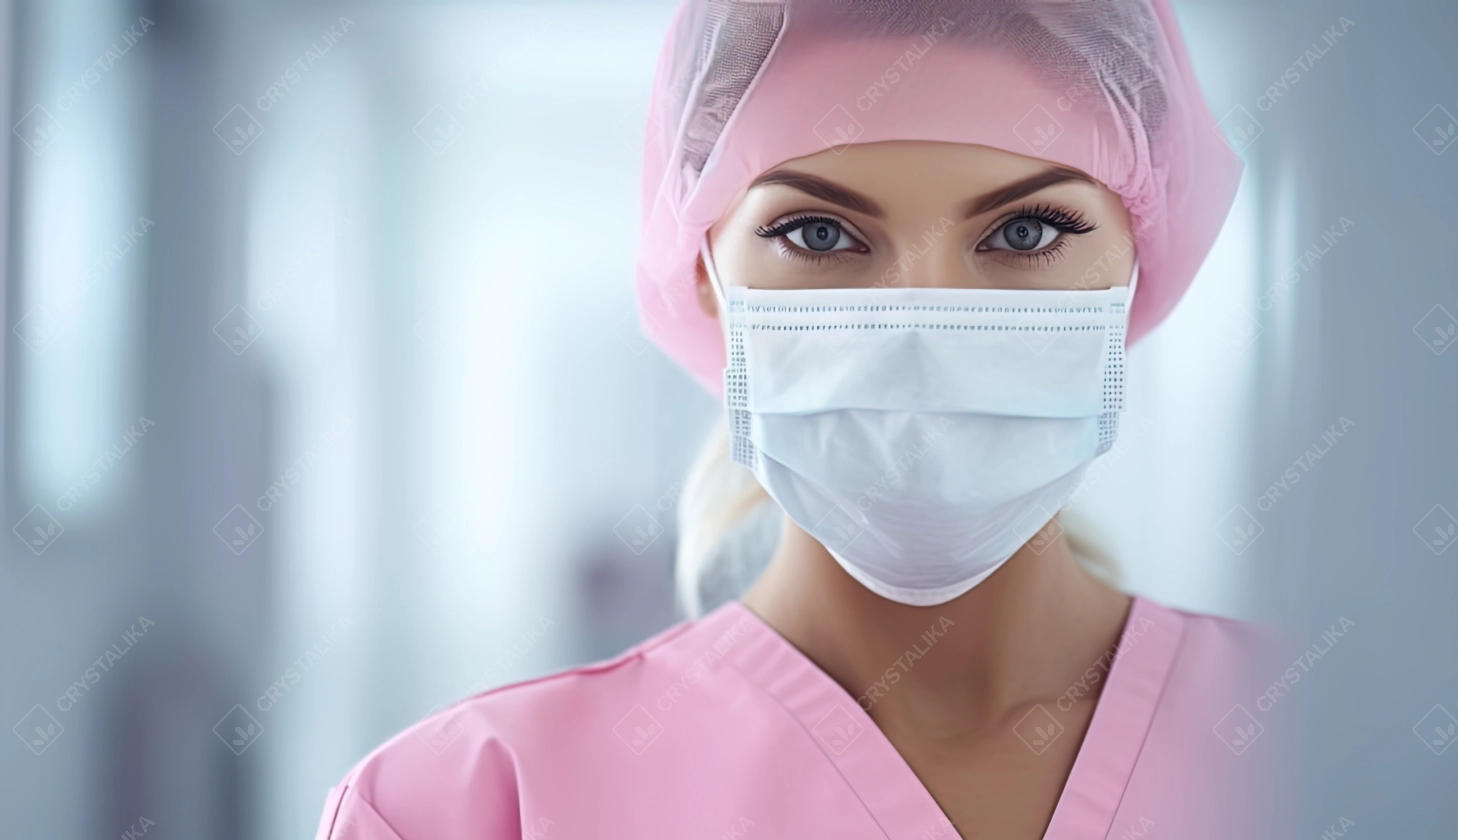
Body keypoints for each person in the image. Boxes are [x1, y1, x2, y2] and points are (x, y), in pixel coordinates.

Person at [316, 2, 1295, 837]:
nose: (924, 327)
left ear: (1140, 261)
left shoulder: (1326, 738)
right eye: (819, 233)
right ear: (704, 271)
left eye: (1026, 231)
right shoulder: (471, 806)